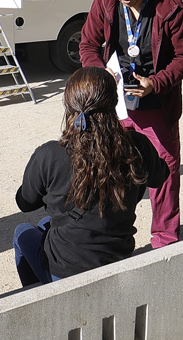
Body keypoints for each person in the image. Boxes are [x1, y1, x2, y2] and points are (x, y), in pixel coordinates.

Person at [78, 0, 183, 248]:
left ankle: (164, 239)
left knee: (165, 171)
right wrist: (100, 73)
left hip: (156, 102)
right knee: (111, 170)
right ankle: (113, 237)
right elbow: (88, 44)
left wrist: (156, 83)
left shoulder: (171, 7)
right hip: (114, 105)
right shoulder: (104, 3)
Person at [14, 67, 169, 285]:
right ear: (114, 103)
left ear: (69, 106)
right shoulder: (137, 146)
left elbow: (25, 202)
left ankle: (36, 297)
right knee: (45, 223)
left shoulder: (50, 154)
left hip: (65, 268)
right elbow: (161, 176)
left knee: (22, 232)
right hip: (117, 256)